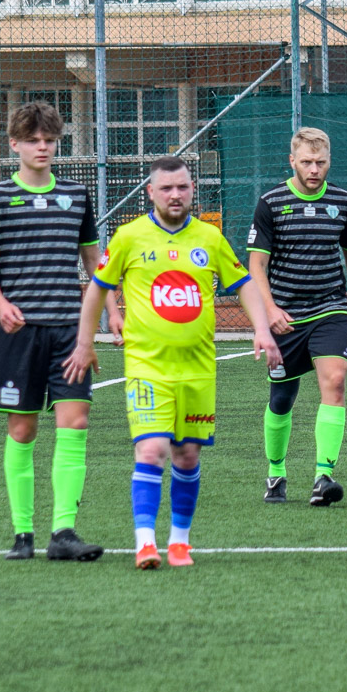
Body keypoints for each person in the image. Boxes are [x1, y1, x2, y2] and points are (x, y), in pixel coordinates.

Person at [63, 156, 284, 569]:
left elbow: (243, 284)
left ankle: (179, 542)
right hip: (147, 368)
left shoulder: (209, 238)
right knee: (151, 451)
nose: (175, 195)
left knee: (187, 457)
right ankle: (145, 543)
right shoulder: (129, 237)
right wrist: (84, 342)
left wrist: (261, 328)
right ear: (151, 193)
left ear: (192, 189)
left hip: (198, 370)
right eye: (166, 188)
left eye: (182, 187)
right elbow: (96, 289)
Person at [0, 102, 104, 562]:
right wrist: (0, 304)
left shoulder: (76, 195)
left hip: (69, 331)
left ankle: (63, 532)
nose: (42, 147)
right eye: (32, 140)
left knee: (76, 423)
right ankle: (22, 534)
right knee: (23, 430)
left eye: (49, 140)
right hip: (20, 334)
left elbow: (95, 261)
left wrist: (114, 310)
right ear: (15, 144)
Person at [248, 128, 347, 506]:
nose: (314, 169)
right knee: (282, 399)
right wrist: (270, 309)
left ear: (329, 161)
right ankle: (276, 472)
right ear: (293, 161)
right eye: (306, 162)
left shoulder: (343, 201)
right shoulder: (271, 203)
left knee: (335, 381)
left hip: (329, 309)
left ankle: (323, 476)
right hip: (284, 316)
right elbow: (256, 265)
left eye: (320, 162)